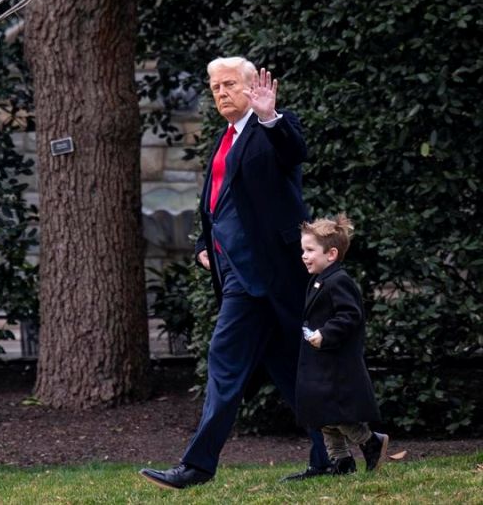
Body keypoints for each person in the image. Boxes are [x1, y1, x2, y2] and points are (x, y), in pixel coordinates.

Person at [139, 56, 330, 490]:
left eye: (229, 84)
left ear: (252, 88)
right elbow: (222, 207)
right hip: (239, 276)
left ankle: (197, 466)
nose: (221, 93)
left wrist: (270, 117)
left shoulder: (270, 129)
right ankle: (348, 449)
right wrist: (206, 246)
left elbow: (295, 151)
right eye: (214, 87)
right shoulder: (225, 138)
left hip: (270, 276)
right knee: (291, 373)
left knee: (224, 364)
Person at [297, 214, 389, 475]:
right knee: (321, 415)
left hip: (336, 364)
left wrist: (326, 333)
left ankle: (371, 441)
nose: (304, 255)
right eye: (303, 250)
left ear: (332, 254)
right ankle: (342, 460)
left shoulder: (339, 281)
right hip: (321, 362)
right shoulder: (318, 280)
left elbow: (350, 315)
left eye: (310, 250)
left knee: (335, 413)